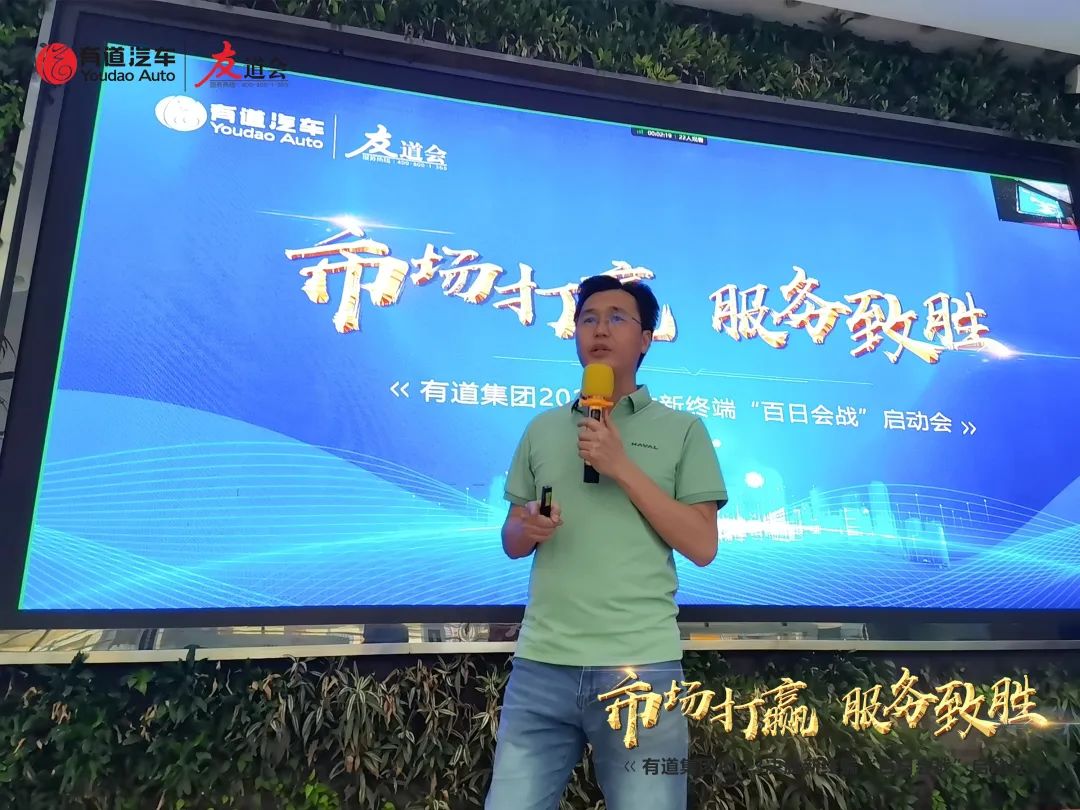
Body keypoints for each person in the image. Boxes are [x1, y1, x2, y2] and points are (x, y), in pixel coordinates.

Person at [484, 275, 728, 810]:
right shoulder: (542, 428)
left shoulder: (684, 430)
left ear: (646, 340)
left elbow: (702, 546)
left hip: (642, 670)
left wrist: (621, 466)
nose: (600, 329)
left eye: (618, 318)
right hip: (541, 665)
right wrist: (525, 528)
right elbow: (511, 538)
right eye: (588, 318)